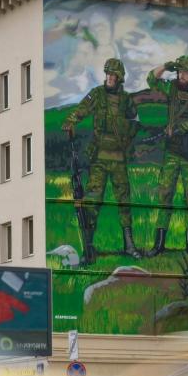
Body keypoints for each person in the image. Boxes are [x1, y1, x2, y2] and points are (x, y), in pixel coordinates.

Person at [62, 58, 141, 261]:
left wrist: (127, 138)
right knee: (92, 202)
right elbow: (81, 110)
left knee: (124, 201)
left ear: (119, 77)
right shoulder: (97, 94)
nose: (109, 78)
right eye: (107, 74)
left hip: (119, 159)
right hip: (99, 158)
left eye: (113, 75)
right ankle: (88, 248)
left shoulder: (126, 100)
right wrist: (71, 121)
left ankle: (129, 245)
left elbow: (135, 121)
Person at [145, 55, 188, 261]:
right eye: (180, 71)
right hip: (172, 152)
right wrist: (165, 65)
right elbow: (151, 80)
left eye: (186, 72)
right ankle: (159, 244)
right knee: (165, 196)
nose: (183, 75)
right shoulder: (171, 89)